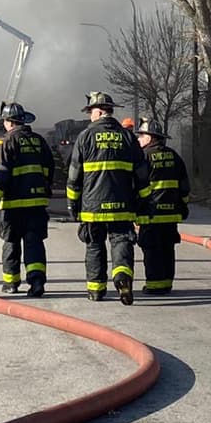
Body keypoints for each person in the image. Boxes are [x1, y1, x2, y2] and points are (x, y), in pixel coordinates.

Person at [66, 91, 145, 304]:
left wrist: (72, 204)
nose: (89, 116)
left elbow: (74, 175)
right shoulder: (128, 137)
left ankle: (96, 290)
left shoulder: (85, 137)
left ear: (99, 112)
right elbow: (142, 174)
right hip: (123, 205)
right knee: (121, 241)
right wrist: (143, 201)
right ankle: (122, 277)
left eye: (91, 111)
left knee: (94, 245)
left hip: (92, 207)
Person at [0, 102, 55, 296]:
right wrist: (43, 188)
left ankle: (11, 283)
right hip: (37, 203)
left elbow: (1, 175)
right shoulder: (39, 141)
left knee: (11, 242)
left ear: (9, 122)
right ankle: (37, 282)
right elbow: (50, 168)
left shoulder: (8, 142)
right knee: (34, 242)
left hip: (12, 204)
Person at [134, 118, 191, 295]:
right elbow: (184, 187)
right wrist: (182, 206)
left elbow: (137, 185)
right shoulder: (175, 156)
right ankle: (167, 283)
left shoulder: (143, 157)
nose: (138, 139)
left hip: (150, 214)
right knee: (167, 249)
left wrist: (135, 208)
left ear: (150, 137)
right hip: (171, 214)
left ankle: (154, 285)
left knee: (152, 249)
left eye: (141, 135)